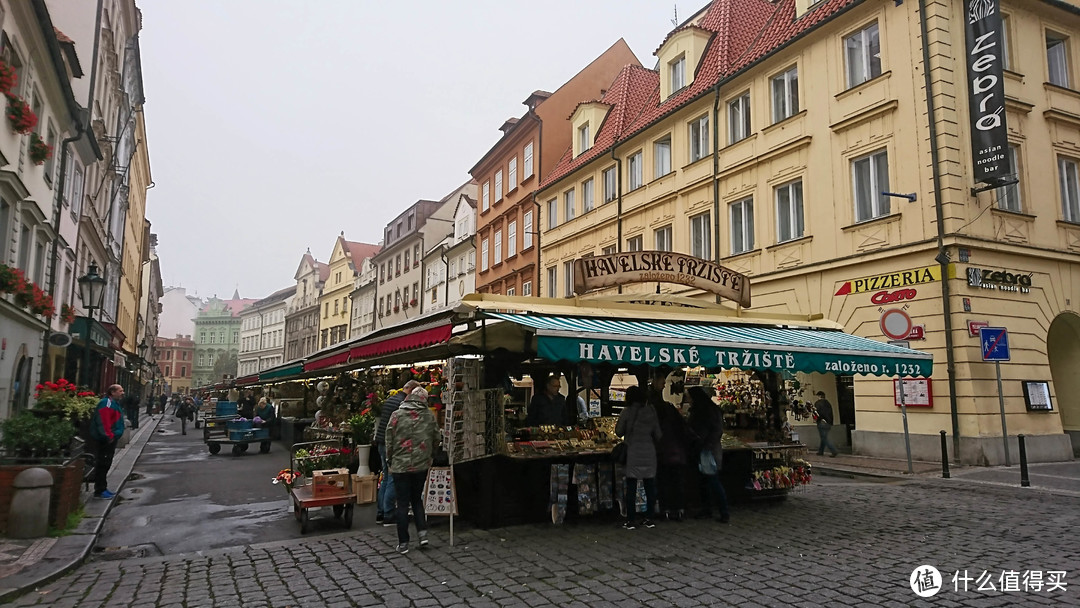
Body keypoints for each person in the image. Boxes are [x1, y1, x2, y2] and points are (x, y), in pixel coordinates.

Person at [385, 386, 439, 554]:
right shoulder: (429, 416)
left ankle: (403, 543)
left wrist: (389, 460)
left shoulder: (397, 415)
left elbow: (389, 439)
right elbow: (436, 438)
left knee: (402, 503)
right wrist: (431, 455)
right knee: (416, 500)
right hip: (421, 464)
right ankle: (423, 535)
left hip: (400, 466)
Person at [615, 385, 662, 530]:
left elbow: (618, 431)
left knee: (631, 487)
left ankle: (630, 520)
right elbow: (658, 434)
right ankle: (649, 518)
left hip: (633, 451)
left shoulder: (627, 412)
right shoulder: (651, 411)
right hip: (649, 451)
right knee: (649, 486)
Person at [375, 380, 420, 526]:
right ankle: (388, 514)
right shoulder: (401, 404)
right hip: (391, 445)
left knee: (386, 478)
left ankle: (380, 512)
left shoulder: (391, 399)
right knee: (393, 478)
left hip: (381, 442)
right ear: (411, 390)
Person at [650, 374, 691, 521]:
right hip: (678, 455)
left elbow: (657, 436)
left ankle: (666, 509)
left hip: (663, 455)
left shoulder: (660, 423)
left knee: (664, 482)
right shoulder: (676, 421)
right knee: (677, 482)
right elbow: (685, 432)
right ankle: (679, 509)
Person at [687, 386, 730, 523]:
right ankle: (707, 509)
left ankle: (723, 511)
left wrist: (704, 444)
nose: (687, 399)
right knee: (705, 481)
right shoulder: (708, 409)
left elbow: (715, 431)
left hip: (708, 450)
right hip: (706, 449)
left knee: (712, 480)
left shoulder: (704, 411)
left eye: (689, 396)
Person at [90, 384, 126, 499]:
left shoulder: (113, 403)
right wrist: (109, 436)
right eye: (120, 391)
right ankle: (100, 491)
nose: (122, 393)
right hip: (106, 439)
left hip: (110, 438)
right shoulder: (106, 403)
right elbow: (103, 422)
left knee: (106, 464)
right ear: (112, 392)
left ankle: (103, 488)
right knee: (102, 464)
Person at [814, 391, 839, 457]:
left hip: (821, 422)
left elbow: (817, 413)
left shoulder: (818, 403)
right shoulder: (828, 403)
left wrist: (817, 419)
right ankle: (820, 451)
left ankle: (834, 451)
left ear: (819, 396)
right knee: (823, 437)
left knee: (824, 438)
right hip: (828, 422)